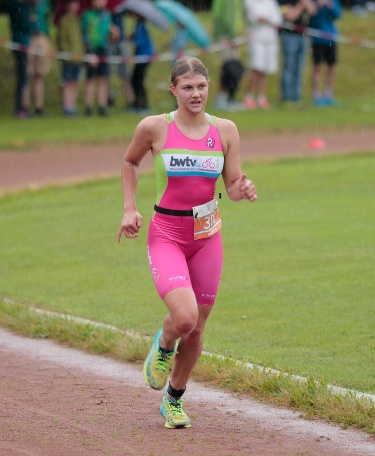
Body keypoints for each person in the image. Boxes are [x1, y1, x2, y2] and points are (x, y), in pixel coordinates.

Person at [117, 56, 257, 429]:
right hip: (167, 234)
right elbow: (129, 163)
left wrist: (243, 188)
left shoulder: (225, 130)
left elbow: (232, 184)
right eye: (188, 87)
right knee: (184, 317)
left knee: (197, 329)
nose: (196, 94)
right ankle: (163, 345)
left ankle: (173, 401)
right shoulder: (154, 128)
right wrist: (129, 209)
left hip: (208, 237)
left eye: (201, 86)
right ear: (173, 89)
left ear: (208, 87)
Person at [243, 0, 283, 110]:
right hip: (256, 39)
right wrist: (268, 20)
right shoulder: (249, 2)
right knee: (256, 68)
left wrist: (267, 20)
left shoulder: (271, 2)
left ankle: (261, 98)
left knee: (264, 70)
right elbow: (254, 18)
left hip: (270, 39)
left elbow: (278, 19)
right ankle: (249, 97)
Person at [278, 0, 317, 108]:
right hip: (289, 35)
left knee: (299, 68)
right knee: (289, 66)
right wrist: (301, 5)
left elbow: (313, 11)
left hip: (303, 36)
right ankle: (286, 97)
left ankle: (296, 96)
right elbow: (290, 16)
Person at [212, 0, 245, 111]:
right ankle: (223, 99)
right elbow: (224, 17)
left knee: (233, 68)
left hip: (230, 36)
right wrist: (232, 36)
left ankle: (228, 98)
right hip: (228, 36)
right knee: (229, 69)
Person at [81, 0, 112, 116]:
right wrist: (89, 52)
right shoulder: (87, 15)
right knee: (90, 78)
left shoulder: (107, 15)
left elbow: (109, 34)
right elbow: (84, 34)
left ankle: (102, 106)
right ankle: (88, 107)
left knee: (103, 78)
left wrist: (114, 34)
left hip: (104, 49)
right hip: (92, 49)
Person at [309, 0, 342, 106]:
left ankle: (328, 95)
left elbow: (338, 14)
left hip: (331, 38)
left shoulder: (333, 1)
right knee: (317, 67)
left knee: (331, 67)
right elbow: (311, 15)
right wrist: (318, 6)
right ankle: (316, 95)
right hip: (318, 39)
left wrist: (330, 5)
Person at [6, 0, 35, 118]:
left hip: (19, 43)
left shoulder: (14, 6)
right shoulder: (21, 7)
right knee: (23, 78)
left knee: (22, 77)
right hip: (22, 45)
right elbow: (29, 26)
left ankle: (21, 106)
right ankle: (20, 107)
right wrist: (33, 20)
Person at [56, 0, 83, 116]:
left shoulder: (77, 20)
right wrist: (67, 53)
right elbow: (62, 40)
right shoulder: (64, 21)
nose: (75, 6)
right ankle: (67, 106)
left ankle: (72, 105)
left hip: (78, 57)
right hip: (68, 58)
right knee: (67, 82)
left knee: (74, 82)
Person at [24, 0, 51, 116]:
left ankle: (39, 107)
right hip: (28, 38)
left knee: (39, 75)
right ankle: (24, 106)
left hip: (42, 36)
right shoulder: (24, 5)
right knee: (26, 74)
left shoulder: (45, 4)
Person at [107, 10, 135, 110]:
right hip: (109, 41)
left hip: (121, 42)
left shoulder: (121, 8)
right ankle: (108, 98)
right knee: (106, 73)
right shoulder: (107, 12)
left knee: (125, 74)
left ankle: (131, 101)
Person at [128, 13, 154, 114]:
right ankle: (139, 104)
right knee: (136, 81)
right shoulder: (140, 26)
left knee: (137, 81)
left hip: (143, 58)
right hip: (141, 57)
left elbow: (140, 42)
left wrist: (132, 39)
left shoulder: (141, 26)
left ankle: (142, 105)